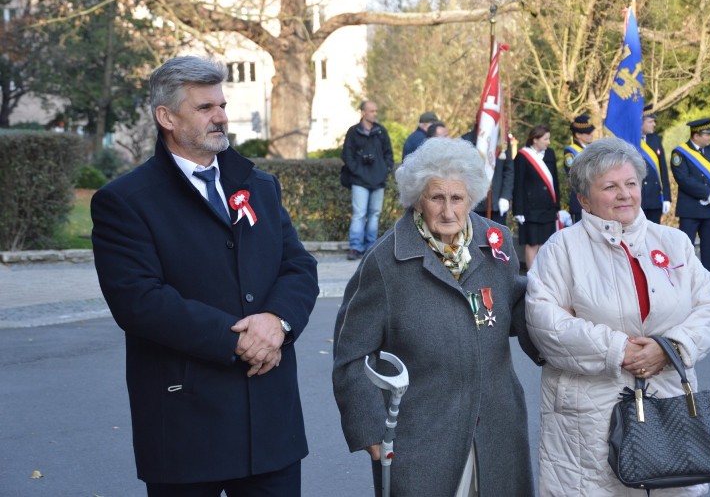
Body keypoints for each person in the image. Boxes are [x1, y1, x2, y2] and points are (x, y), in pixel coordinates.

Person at [90, 56, 319, 496]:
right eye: (204, 107)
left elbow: (298, 267)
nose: (220, 117)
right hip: (186, 426)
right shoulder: (126, 201)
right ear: (167, 117)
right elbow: (139, 301)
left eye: (222, 104)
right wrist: (236, 340)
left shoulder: (258, 185)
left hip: (270, 424)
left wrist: (277, 321)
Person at [332, 137, 537, 497]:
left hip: (496, 425)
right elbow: (351, 355)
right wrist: (371, 431)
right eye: (436, 197)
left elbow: (518, 306)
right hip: (422, 433)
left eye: (457, 198)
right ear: (416, 198)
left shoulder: (497, 243)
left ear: (471, 197)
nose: (448, 211)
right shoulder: (385, 261)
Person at [525, 137, 710, 496]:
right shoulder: (562, 249)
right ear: (585, 198)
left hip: (668, 403)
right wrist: (620, 350)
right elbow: (545, 323)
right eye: (610, 187)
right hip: (588, 414)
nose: (625, 194)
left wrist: (669, 348)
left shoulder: (674, 242)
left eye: (631, 184)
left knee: (672, 487)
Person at [671, 117, 710, 277]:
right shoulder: (679, 153)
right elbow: (683, 179)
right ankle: (685, 284)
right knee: (686, 250)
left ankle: (709, 286)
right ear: (696, 136)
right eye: (707, 135)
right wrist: (706, 193)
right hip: (690, 210)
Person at [342, 100, 395, 261]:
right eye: (371, 111)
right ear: (363, 112)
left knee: (375, 214)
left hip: (378, 180)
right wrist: (357, 170)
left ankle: (371, 247)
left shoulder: (381, 131)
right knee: (359, 214)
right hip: (359, 180)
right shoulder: (353, 132)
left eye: (376, 111)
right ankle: (355, 246)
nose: (374, 114)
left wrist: (384, 170)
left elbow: (389, 154)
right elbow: (347, 155)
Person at [514, 125, 569, 269]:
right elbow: (518, 184)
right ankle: (531, 276)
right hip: (530, 209)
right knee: (532, 243)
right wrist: (518, 210)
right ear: (535, 140)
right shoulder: (522, 156)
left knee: (546, 243)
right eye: (545, 139)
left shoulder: (549, 154)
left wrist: (557, 204)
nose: (548, 142)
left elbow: (554, 181)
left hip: (548, 207)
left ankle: (544, 274)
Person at [462, 124, 514, 225]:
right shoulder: (465, 140)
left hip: (496, 201)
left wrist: (505, 196)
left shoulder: (503, 140)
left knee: (497, 237)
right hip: (473, 203)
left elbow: (508, 170)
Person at [639, 107, 672, 223]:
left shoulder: (655, 139)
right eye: (650, 121)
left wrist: (667, 197)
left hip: (654, 198)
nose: (654, 124)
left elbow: (663, 170)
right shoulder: (629, 140)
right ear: (640, 122)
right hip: (637, 198)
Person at [563, 114, 595, 223]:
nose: (591, 135)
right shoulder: (570, 151)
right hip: (580, 197)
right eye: (587, 133)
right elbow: (573, 172)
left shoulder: (592, 148)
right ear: (578, 135)